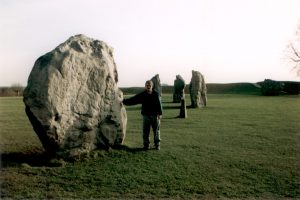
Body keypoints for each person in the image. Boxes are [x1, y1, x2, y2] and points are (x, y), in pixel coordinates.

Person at [123, 80, 163, 150]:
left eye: (149, 85)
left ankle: (157, 144)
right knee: (145, 131)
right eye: (147, 85)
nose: (148, 87)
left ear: (152, 86)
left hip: (155, 115)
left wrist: (160, 114)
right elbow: (134, 99)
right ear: (145, 86)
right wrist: (124, 101)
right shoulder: (143, 94)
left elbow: (159, 105)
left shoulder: (155, 94)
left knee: (156, 131)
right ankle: (146, 145)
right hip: (146, 115)